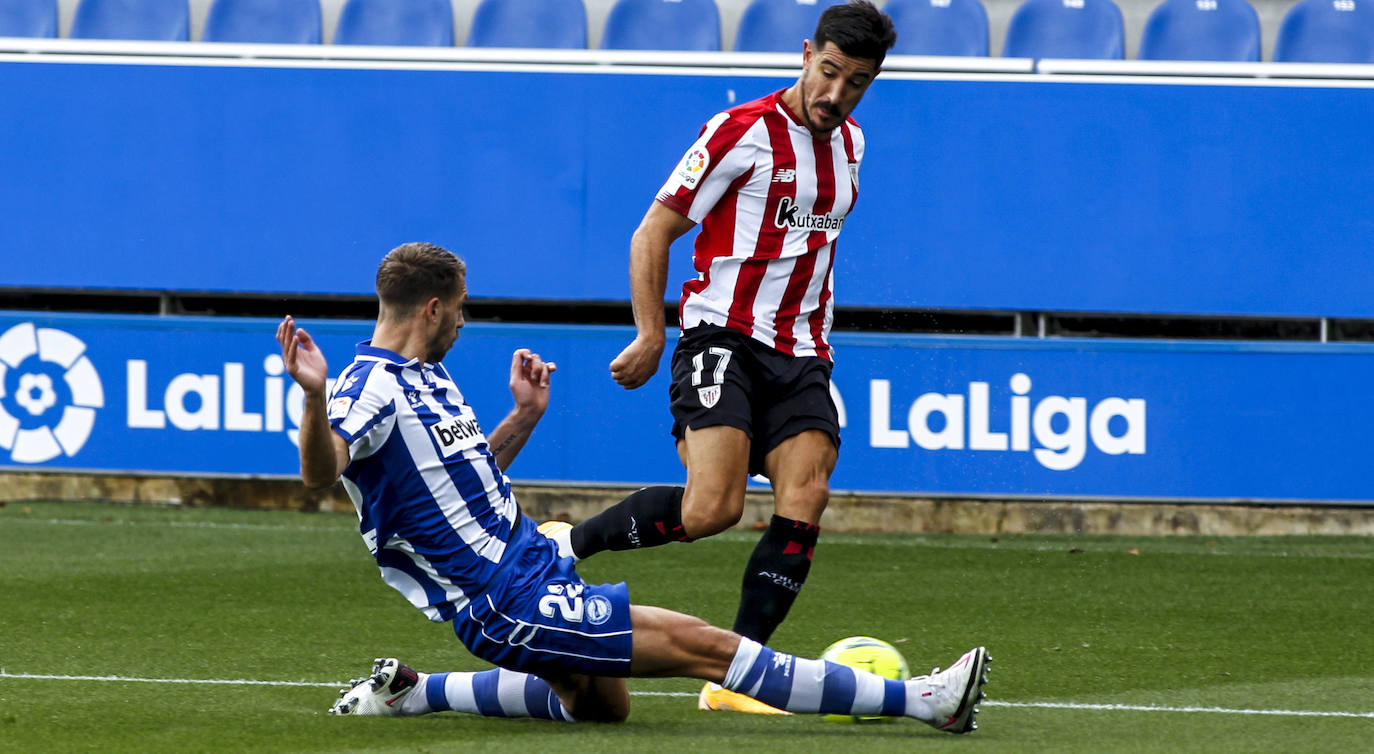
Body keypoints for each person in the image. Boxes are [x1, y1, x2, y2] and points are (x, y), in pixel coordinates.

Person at [276, 241, 989, 731]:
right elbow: (319, 471)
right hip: (501, 598)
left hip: (531, 563)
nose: (463, 322)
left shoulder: (428, 379)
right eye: (460, 309)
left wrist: (523, 418)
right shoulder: (365, 387)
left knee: (601, 708)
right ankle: (924, 701)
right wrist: (311, 395)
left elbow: (469, 478)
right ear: (433, 308)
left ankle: (414, 691)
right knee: (704, 646)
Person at [546, 1, 897, 714]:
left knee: (806, 494)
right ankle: (567, 542)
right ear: (806, 53)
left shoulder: (852, 145)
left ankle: (736, 681)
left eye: (855, 82)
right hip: (723, 339)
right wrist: (650, 332)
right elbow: (653, 231)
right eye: (827, 72)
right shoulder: (741, 133)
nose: (835, 94)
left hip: (801, 351)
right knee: (713, 510)